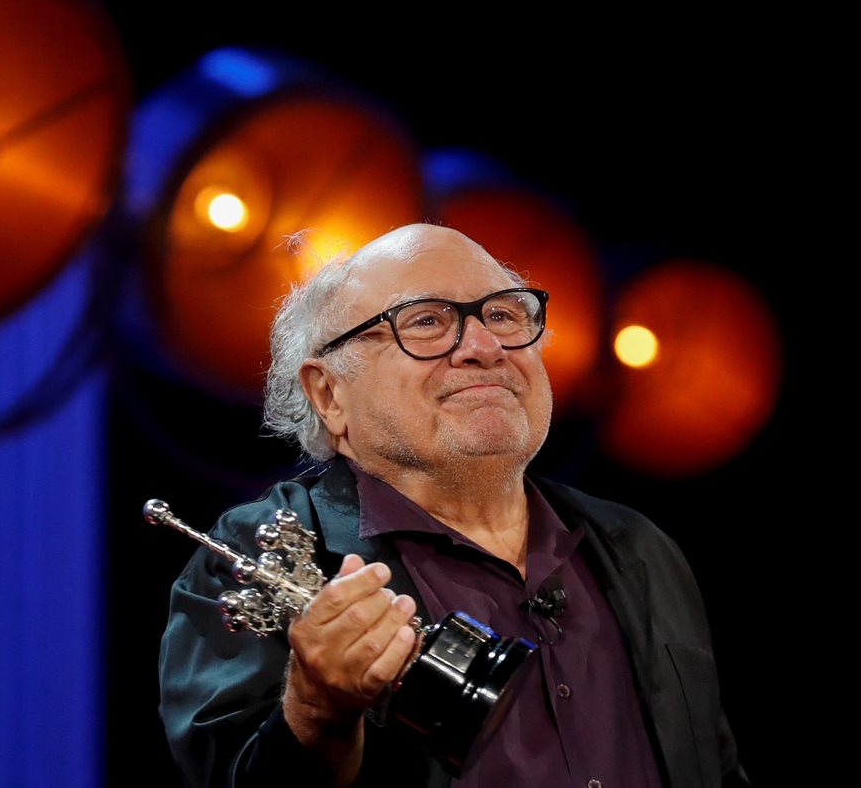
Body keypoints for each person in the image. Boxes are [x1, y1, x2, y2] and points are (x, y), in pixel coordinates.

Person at [156, 223, 748, 787]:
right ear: (329, 394)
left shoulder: (639, 549)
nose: (485, 347)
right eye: (426, 321)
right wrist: (316, 711)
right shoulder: (258, 559)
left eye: (503, 315)